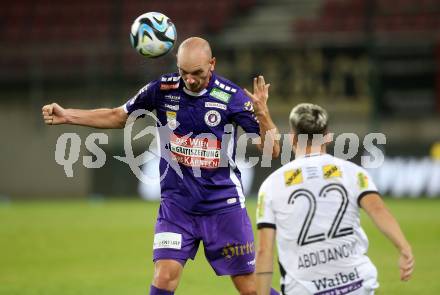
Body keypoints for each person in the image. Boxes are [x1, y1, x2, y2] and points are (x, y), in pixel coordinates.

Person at [42, 37, 280, 295]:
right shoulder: (162, 89)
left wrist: (263, 115)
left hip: (223, 206)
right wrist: (68, 115)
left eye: (197, 73)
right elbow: (118, 116)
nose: (189, 80)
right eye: (183, 72)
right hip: (177, 207)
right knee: (164, 276)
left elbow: (273, 150)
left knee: (251, 289)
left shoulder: (232, 97)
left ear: (212, 64)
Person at [255, 103, 414, 295]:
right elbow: (378, 210)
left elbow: (265, 251)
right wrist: (404, 248)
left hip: (303, 289)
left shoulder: (272, 185)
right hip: (357, 284)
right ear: (328, 136)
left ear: (292, 138)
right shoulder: (353, 172)